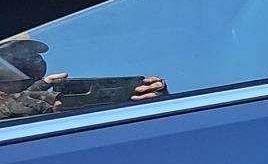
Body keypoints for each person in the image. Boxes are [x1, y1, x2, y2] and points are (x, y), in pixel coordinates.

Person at [0, 35, 165, 121]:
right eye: (9, 65)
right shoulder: (19, 112)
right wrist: (14, 108)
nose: (22, 73)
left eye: (29, 63)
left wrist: (152, 108)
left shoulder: (59, 109)